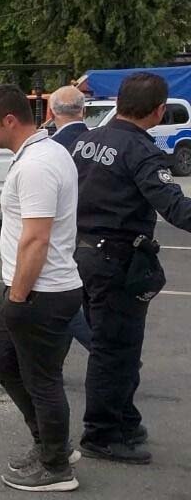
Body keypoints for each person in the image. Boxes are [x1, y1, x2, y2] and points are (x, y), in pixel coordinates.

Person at [73, 72, 191, 465]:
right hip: (116, 260)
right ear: (158, 112)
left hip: (85, 253)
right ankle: (103, 434)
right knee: (116, 350)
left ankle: (123, 419)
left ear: (120, 101)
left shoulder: (86, 140)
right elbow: (175, 207)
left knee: (113, 346)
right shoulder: (141, 151)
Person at [0, 84, 82, 493]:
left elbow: (36, 239)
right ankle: (50, 443)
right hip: (28, 288)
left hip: (42, 292)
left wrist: (18, 298)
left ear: (10, 121)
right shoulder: (41, 154)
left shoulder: (37, 164)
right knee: (1, 361)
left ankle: (56, 466)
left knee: (42, 379)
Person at [47, 85, 93, 351]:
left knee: (64, 303)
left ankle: (103, 351)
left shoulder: (51, 149)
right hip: (93, 234)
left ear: (51, 113)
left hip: (63, 233)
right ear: (84, 111)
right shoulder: (97, 142)